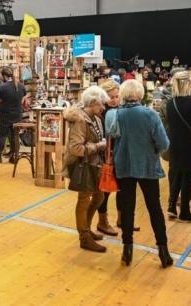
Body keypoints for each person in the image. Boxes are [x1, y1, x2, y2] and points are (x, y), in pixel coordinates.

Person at [106, 80, 172, 268]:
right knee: (154, 208)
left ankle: (127, 249)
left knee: (127, 207)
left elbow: (110, 139)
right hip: (148, 166)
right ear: (140, 94)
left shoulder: (114, 115)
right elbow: (164, 144)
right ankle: (163, 250)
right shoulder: (150, 114)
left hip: (123, 166)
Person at [62, 86, 109, 252]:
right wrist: (97, 146)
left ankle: (87, 230)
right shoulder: (81, 120)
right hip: (84, 166)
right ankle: (84, 236)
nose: (104, 108)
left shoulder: (93, 117)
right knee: (84, 200)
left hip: (93, 165)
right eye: (101, 104)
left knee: (99, 198)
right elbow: (75, 148)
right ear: (94, 102)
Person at [165, 71, 191, 222]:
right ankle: (184, 211)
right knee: (187, 177)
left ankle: (171, 206)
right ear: (189, 83)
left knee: (176, 174)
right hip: (190, 145)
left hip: (175, 144)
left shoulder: (171, 103)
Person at [94, 80, 121, 237]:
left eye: (117, 96)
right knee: (104, 190)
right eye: (112, 97)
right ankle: (102, 221)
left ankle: (121, 219)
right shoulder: (100, 114)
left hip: (117, 154)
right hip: (104, 156)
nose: (115, 100)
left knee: (120, 187)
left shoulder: (119, 110)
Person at [0, 66, 26, 163]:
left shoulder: (1, 88)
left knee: (2, 136)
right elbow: (23, 99)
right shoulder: (21, 86)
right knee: (14, 136)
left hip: (5, 115)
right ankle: (13, 157)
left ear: (4, 76)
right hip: (17, 115)